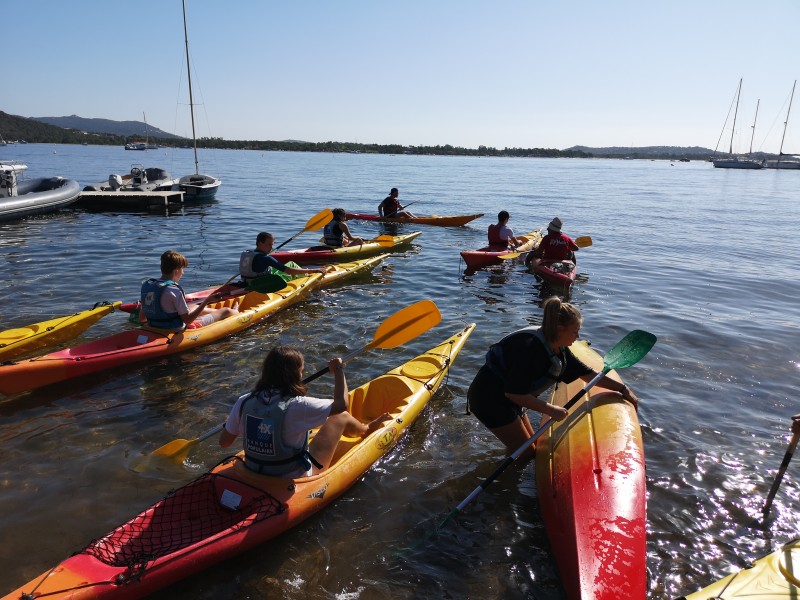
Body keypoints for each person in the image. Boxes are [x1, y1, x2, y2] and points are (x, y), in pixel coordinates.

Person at [467, 297, 638, 460]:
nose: (577, 337)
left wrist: (622, 389)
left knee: (532, 446)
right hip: (489, 400)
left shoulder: (558, 347)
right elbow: (514, 393)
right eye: (574, 332)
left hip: (509, 398)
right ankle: (506, 486)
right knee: (525, 453)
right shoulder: (529, 348)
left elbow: (588, 374)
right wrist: (551, 410)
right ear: (560, 329)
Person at [219, 346, 389, 477]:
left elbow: (224, 442)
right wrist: (338, 371)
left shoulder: (244, 401)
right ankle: (366, 430)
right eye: (301, 371)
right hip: (291, 475)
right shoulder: (299, 406)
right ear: (295, 375)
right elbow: (341, 405)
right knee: (341, 417)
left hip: (253, 469)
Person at [141, 250, 240, 331]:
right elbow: (188, 321)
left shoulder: (148, 286)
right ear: (176, 270)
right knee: (226, 311)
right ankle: (234, 311)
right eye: (182, 269)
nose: (183, 273)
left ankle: (215, 312)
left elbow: (142, 318)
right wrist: (207, 301)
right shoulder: (173, 290)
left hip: (153, 325)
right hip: (175, 328)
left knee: (191, 306)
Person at [239, 232, 330, 284]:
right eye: (269, 245)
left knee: (291, 263)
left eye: (272, 245)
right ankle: (307, 275)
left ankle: (303, 272)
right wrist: (313, 270)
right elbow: (289, 271)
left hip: (247, 280)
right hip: (261, 283)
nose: (271, 248)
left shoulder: (247, 253)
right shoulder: (266, 259)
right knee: (291, 269)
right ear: (260, 243)